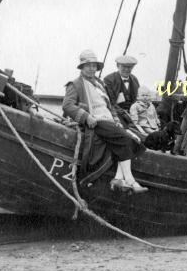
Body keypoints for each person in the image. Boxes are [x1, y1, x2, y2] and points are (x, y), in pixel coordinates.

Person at [62, 50, 148, 193]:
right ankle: (131, 181)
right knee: (126, 139)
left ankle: (118, 178)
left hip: (108, 121)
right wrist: (86, 117)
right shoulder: (75, 84)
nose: (91, 68)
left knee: (133, 138)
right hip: (95, 121)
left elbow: (110, 106)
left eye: (94, 66)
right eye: (88, 66)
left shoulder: (100, 84)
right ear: (81, 68)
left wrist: (117, 121)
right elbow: (67, 105)